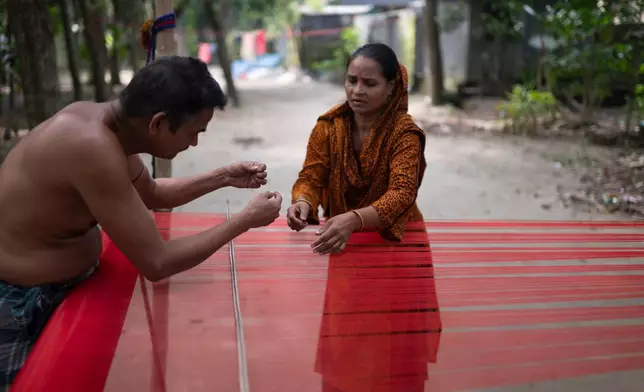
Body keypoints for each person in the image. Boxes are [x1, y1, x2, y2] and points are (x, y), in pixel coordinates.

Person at [0, 56, 282, 388]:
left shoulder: (107, 125)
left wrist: (223, 177)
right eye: (194, 133)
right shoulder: (90, 145)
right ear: (158, 123)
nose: (193, 144)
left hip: (61, 287)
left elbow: (150, 193)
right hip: (20, 305)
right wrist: (245, 220)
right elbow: (157, 262)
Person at [287, 43, 426, 253]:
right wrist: (303, 202)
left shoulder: (404, 134)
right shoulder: (329, 126)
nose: (357, 91)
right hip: (341, 238)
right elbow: (311, 177)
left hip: (395, 240)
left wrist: (354, 219)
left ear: (390, 87)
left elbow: (402, 193)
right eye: (352, 81)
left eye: (370, 84)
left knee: (399, 287)